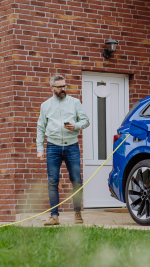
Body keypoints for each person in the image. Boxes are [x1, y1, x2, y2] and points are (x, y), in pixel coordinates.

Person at [37, 74, 90, 225]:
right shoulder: (45, 105)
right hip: (52, 146)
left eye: (64, 86)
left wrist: (76, 126)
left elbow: (86, 121)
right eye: (59, 87)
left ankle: (78, 213)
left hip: (72, 145)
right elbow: (41, 128)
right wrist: (40, 149)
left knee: (77, 181)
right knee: (52, 181)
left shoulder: (75, 102)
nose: (63, 89)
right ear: (52, 88)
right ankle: (54, 216)